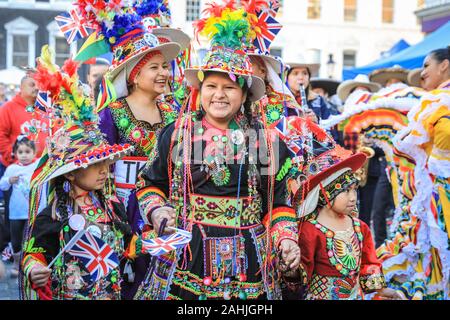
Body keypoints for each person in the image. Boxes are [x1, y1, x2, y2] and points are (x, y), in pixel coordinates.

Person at [135, 3, 300, 300]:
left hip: (248, 263)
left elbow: (280, 202)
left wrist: (286, 238)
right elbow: (150, 184)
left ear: (245, 93)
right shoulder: (176, 134)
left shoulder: (266, 141)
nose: (219, 95)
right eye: (211, 85)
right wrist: (158, 210)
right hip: (185, 255)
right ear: (200, 90)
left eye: (229, 87)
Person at [81, 0, 187, 298]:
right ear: (134, 75)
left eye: (165, 66)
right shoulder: (112, 113)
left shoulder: (173, 109)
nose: (164, 73)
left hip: (166, 208)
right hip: (121, 213)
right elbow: (96, 164)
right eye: (154, 67)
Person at [21, 47, 135, 300]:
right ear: (70, 173)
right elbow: (36, 251)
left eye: (105, 162)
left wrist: (144, 242)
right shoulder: (54, 213)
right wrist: (35, 268)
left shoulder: (113, 206)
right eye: (95, 164)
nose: (105, 170)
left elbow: (128, 245)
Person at [377, 47, 450, 300]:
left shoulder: (440, 102)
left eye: (427, 65)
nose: (423, 73)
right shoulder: (432, 101)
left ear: (444, 65)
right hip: (431, 194)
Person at [292, 143, 403, 300]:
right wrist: (291, 270)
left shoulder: (359, 227)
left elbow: (368, 262)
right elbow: (300, 277)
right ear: (326, 193)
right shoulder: (310, 231)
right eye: (345, 191)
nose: (353, 197)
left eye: (355, 190)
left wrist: (380, 290)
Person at [0, 136, 37, 277]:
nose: (24, 155)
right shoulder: (12, 168)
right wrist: (9, 180)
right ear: (15, 153)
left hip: (32, 211)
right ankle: (16, 263)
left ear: (34, 153)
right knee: (15, 240)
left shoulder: (36, 166)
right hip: (16, 212)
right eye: (20, 152)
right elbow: (2, 185)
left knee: (30, 239)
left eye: (27, 151)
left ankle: (30, 265)